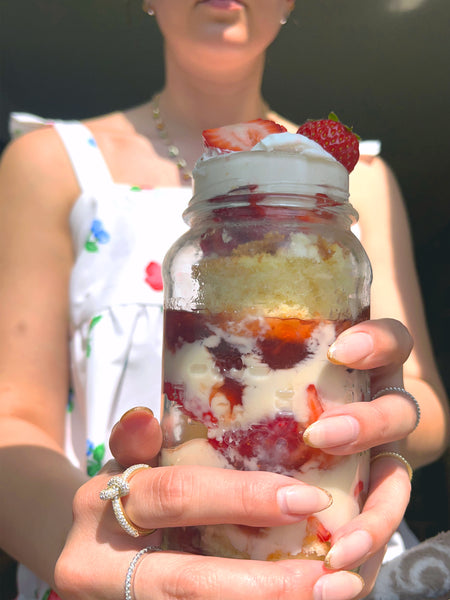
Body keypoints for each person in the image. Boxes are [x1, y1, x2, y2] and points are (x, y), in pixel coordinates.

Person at [0, 1, 448, 599]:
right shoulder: (51, 161)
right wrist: (99, 543)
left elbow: (422, 401)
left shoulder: (355, 174)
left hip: (335, 553)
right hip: (113, 557)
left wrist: (387, 415)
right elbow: (12, 420)